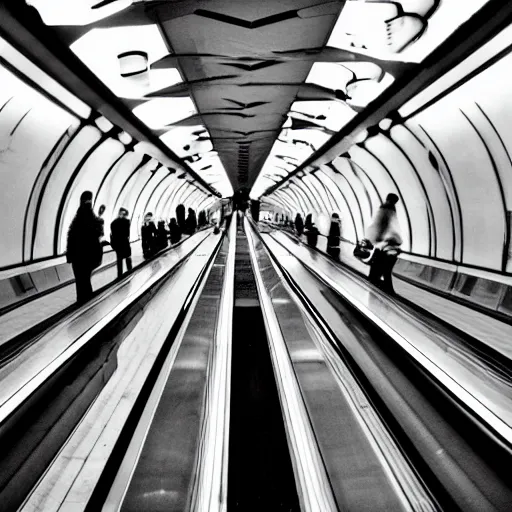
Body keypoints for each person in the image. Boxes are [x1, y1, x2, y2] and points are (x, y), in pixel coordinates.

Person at [66, 191, 103, 303]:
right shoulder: (92, 219)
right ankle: (87, 304)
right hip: (88, 256)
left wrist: (69, 255)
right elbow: (98, 235)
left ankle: (81, 302)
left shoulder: (77, 220)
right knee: (85, 280)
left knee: (80, 280)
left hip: (77, 257)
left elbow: (70, 237)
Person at [365, 193, 403, 294]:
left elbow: (377, 227)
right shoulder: (390, 211)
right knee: (386, 271)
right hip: (388, 245)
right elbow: (392, 228)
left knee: (377, 272)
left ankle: (381, 292)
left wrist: (375, 241)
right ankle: (388, 291)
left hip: (384, 245)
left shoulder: (383, 210)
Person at [110, 207, 132, 278]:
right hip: (125, 242)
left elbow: (112, 234)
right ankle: (130, 272)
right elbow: (127, 234)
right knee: (128, 258)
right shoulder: (127, 222)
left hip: (118, 244)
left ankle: (119, 276)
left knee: (119, 260)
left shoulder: (113, 223)